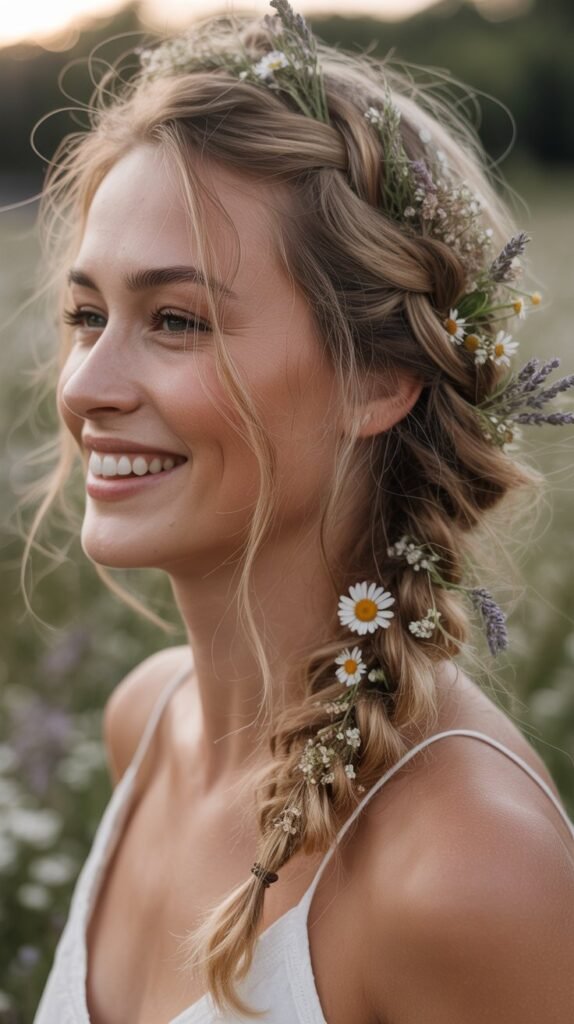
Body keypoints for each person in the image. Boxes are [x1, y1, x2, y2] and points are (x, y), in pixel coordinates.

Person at [28, 2, 573, 1022]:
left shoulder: (464, 869)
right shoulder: (146, 724)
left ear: (377, 379)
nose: (87, 384)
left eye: (176, 319)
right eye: (88, 315)